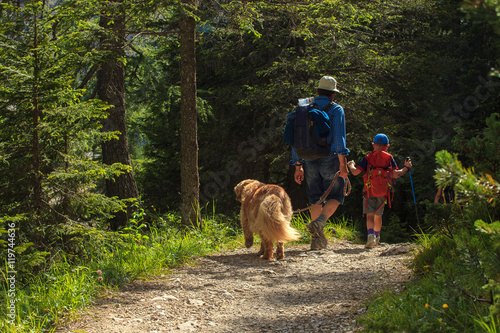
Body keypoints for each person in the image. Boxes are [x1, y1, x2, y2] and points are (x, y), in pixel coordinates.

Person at [291, 76, 349, 250]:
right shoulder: (336, 109)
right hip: (330, 157)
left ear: (317, 91)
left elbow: (297, 139)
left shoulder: (304, 107)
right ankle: (320, 222)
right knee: (336, 196)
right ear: (333, 94)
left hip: (308, 158)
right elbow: (339, 139)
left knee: (315, 198)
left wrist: (297, 164)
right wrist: (343, 165)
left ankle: (316, 241)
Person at [347, 134, 412, 248]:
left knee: (370, 215)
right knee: (378, 215)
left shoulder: (368, 157)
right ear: (387, 147)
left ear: (373, 145)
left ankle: (370, 236)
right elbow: (395, 174)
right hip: (383, 191)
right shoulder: (389, 158)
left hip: (369, 190)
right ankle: (377, 237)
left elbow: (356, 172)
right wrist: (407, 167)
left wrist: (351, 165)